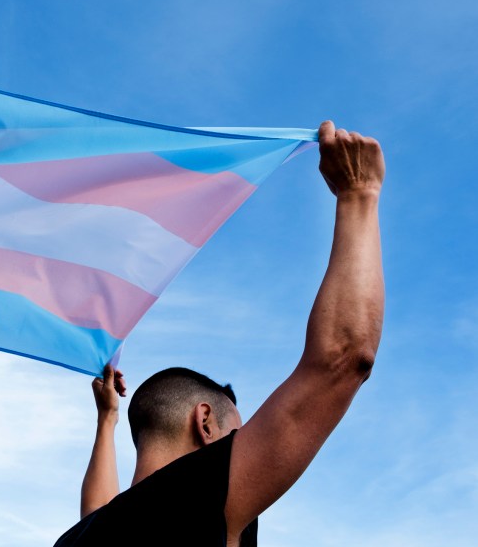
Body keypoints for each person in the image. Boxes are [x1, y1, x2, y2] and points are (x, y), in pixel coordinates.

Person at [54, 121, 385, 546]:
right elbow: (343, 359)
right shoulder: (187, 502)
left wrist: (108, 420)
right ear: (205, 422)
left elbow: (98, 510)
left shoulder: (84, 536)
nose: (245, 448)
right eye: (237, 434)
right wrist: (359, 195)